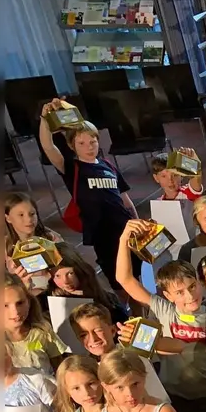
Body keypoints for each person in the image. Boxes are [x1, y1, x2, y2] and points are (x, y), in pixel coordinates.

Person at [113, 235, 206, 412]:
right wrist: (122, 239)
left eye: (192, 286)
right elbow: (125, 279)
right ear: (168, 296)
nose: (189, 295)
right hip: (177, 397)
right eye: (180, 292)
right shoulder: (163, 309)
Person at [36, 106, 136, 282]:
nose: (89, 147)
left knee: (137, 273)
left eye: (93, 142)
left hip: (125, 227)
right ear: (71, 145)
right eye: (81, 143)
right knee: (117, 279)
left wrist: (137, 223)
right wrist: (45, 119)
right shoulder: (71, 168)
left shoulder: (109, 166)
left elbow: (125, 201)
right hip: (103, 235)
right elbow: (48, 146)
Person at [2, 275, 65, 374]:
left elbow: (60, 368)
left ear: (29, 302)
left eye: (20, 303)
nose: (16, 312)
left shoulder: (43, 331)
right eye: (5, 305)